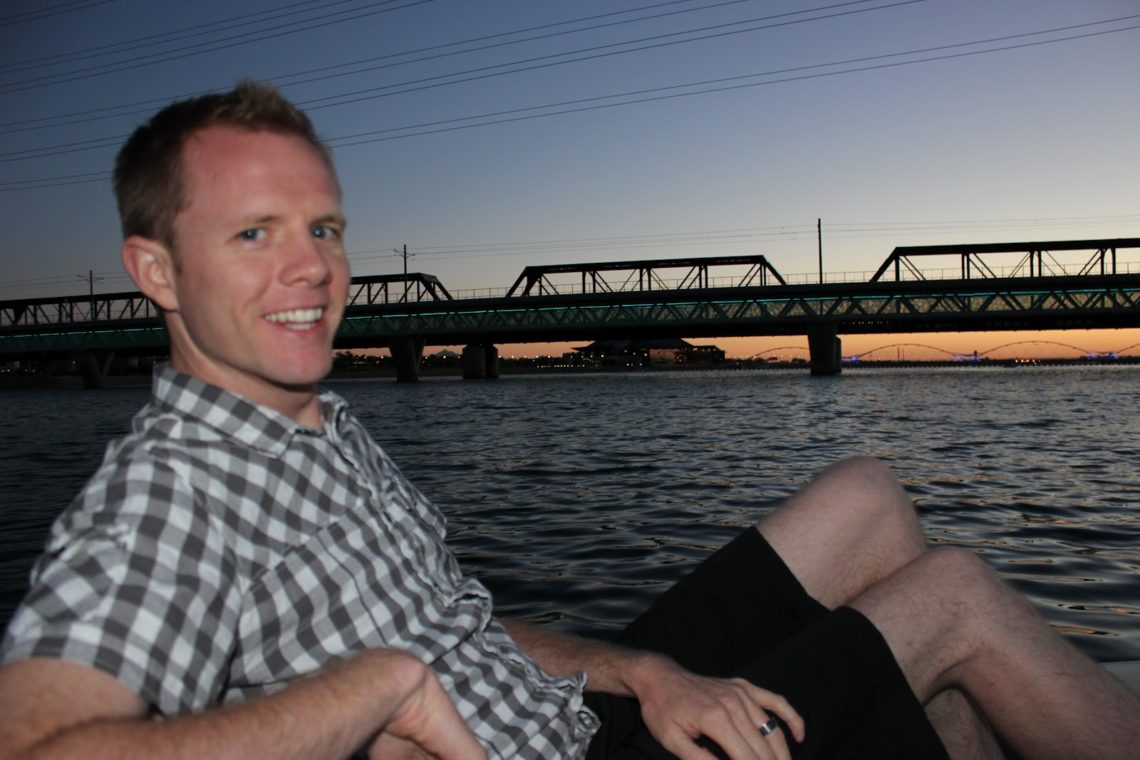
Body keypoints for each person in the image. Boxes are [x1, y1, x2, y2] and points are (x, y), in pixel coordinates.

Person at [0, 81, 1136, 760]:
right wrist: (378, 686)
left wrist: (643, 669)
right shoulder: (170, 492)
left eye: (325, 227)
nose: (312, 268)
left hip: (581, 711)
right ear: (152, 267)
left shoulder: (319, 426)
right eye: (255, 234)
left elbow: (462, 629)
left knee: (871, 497)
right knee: (957, 597)